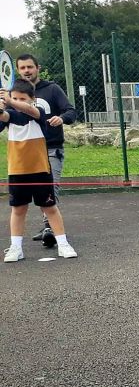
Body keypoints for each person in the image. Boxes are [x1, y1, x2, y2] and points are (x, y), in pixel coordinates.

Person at [1, 79, 77, 261]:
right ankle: (16, 248)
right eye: (15, 98)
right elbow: (6, 117)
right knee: (18, 210)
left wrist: (10, 101)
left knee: (49, 208)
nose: (17, 102)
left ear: (32, 100)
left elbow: (27, 113)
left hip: (40, 170)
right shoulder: (10, 115)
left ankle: (63, 244)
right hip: (17, 171)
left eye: (22, 99)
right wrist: (2, 108)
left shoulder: (38, 112)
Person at [15, 54, 79, 248]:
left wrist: (61, 118)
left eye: (30, 67)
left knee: (51, 188)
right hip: (25, 152)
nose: (27, 71)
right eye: (22, 68)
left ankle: (50, 228)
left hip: (51, 148)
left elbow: (71, 112)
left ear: (38, 68)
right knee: (28, 196)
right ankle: (28, 236)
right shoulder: (14, 94)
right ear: (18, 70)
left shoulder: (52, 89)